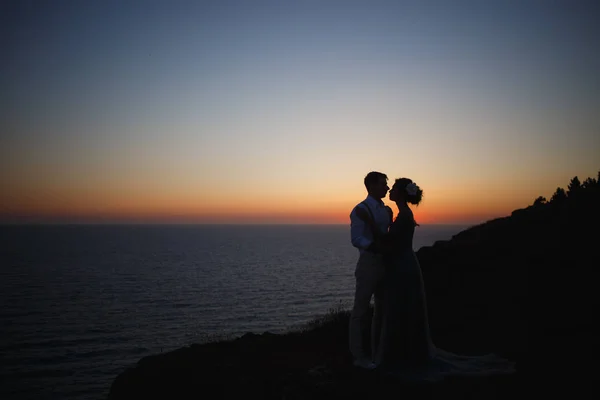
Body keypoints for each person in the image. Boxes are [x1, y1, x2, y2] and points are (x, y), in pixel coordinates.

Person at [359, 177, 516, 381]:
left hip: (403, 268)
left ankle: (402, 356)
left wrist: (370, 222)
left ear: (401, 193)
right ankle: (401, 352)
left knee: (400, 308)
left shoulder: (405, 215)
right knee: (401, 309)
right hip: (403, 265)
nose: (390, 190)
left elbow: (389, 241)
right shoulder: (403, 214)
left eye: (394, 188)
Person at [348, 171, 393, 369]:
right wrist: (375, 247)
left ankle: (379, 351)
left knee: (383, 309)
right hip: (369, 263)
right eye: (384, 184)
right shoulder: (359, 209)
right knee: (361, 311)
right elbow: (356, 238)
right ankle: (359, 356)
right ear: (371, 186)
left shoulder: (386, 210)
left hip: (386, 264)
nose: (387, 187)